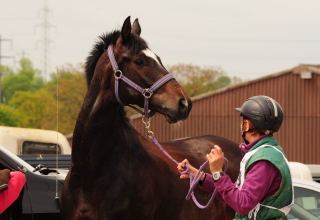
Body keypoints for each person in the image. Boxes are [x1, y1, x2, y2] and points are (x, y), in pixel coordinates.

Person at [177, 95, 293, 220]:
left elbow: (242, 204)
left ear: (248, 125)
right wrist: (200, 176)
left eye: (244, 120)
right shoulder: (265, 153)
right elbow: (233, 192)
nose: (241, 124)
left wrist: (217, 172)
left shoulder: (263, 160)